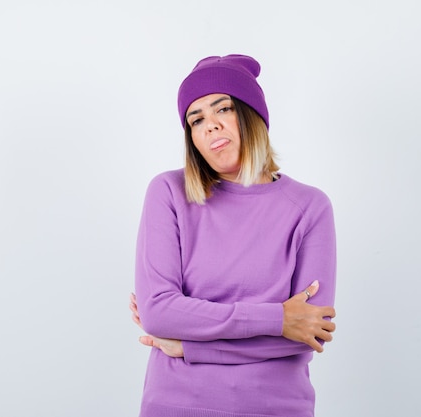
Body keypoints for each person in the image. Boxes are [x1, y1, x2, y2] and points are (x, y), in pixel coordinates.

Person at [130, 54, 337, 417]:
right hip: (177, 405)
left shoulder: (309, 207)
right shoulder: (169, 192)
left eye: (221, 109)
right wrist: (277, 320)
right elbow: (158, 311)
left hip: (274, 407)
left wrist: (191, 347)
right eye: (196, 120)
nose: (209, 126)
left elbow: (308, 335)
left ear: (251, 115)